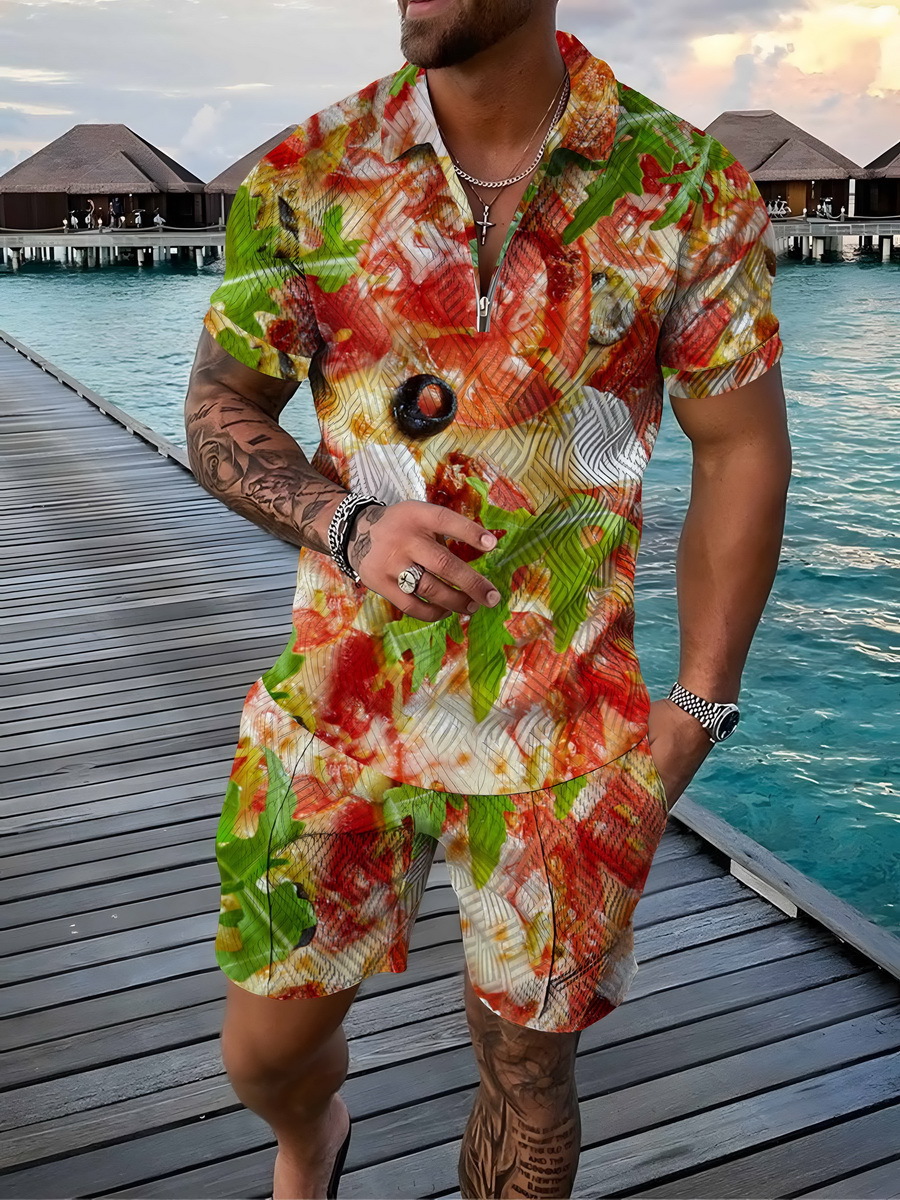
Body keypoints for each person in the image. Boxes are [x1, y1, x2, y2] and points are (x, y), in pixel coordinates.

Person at [184, 2, 791, 1197]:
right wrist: (347, 524)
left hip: (561, 742)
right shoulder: (311, 173)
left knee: (528, 1079)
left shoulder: (682, 188)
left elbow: (740, 447)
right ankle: (312, 1136)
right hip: (339, 713)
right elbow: (219, 407)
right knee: (263, 1053)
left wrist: (701, 702)